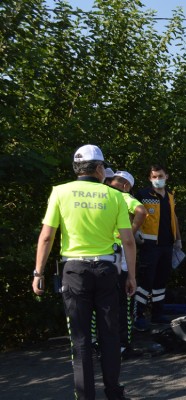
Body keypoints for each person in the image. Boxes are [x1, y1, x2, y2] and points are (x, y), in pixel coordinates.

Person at [32, 144, 135, 400]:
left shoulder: (60, 192)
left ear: (77, 169)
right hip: (106, 269)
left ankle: (86, 396)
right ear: (99, 168)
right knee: (109, 335)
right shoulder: (114, 196)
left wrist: (38, 273)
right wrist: (131, 275)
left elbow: (46, 237)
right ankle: (113, 392)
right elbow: (129, 241)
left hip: (74, 270)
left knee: (80, 339)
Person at [134, 164, 182, 331]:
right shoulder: (143, 194)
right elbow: (132, 213)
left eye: (160, 176)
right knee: (145, 281)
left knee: (161, 280)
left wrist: (178, 239)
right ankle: (138, 315)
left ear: (166, 177)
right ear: (149, 178)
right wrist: (136, 231)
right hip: (149, 245)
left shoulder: (169, 196)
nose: (157, 179)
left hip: (167, 244)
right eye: (154, 177)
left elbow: (173, 217)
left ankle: (157, 313)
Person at [109, 171, 147, 356]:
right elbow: (141, 211)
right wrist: (131, 231)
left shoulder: (104, 195)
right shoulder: (123, 196)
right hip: (120, 255)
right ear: (126, 186)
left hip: (102, 255)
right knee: (123, 300)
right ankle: (124, 344)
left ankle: (108, 344)